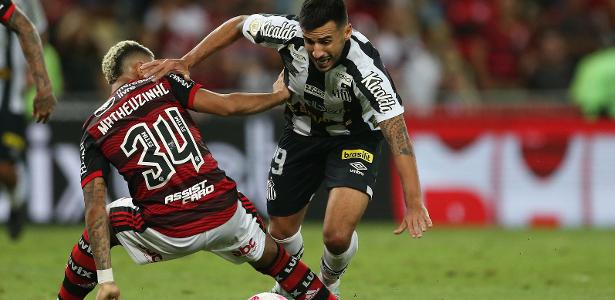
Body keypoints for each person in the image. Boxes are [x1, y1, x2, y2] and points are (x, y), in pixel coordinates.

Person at [141, 0, 433, 297]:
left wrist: (414, 201)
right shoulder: (286, 32)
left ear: (346, 32)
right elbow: (240, 24)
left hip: (354, 140)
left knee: (336, 235)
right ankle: (289, 286)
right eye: (310, 41)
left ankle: (328, 286)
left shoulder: (368, 72)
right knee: (279, 231)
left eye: (325, 42)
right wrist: (188, 61)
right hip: (302, 133)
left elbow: (398, 135)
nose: (317, 51)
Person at [56, 40, 336, 300]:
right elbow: (228, 106)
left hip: (167, 230)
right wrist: (278, 97)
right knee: (276, 259)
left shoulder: (94, 127)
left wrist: (106, 279)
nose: (162, 66)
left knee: (105, 217)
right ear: (139, 68)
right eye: (154, 63)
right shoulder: (163, 83)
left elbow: (93, 206)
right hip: (223, 212)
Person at [0, 0, 56, 240]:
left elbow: (31, 28)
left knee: (5, 170)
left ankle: (15, 204)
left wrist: (41, 84)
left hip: (7, 97)